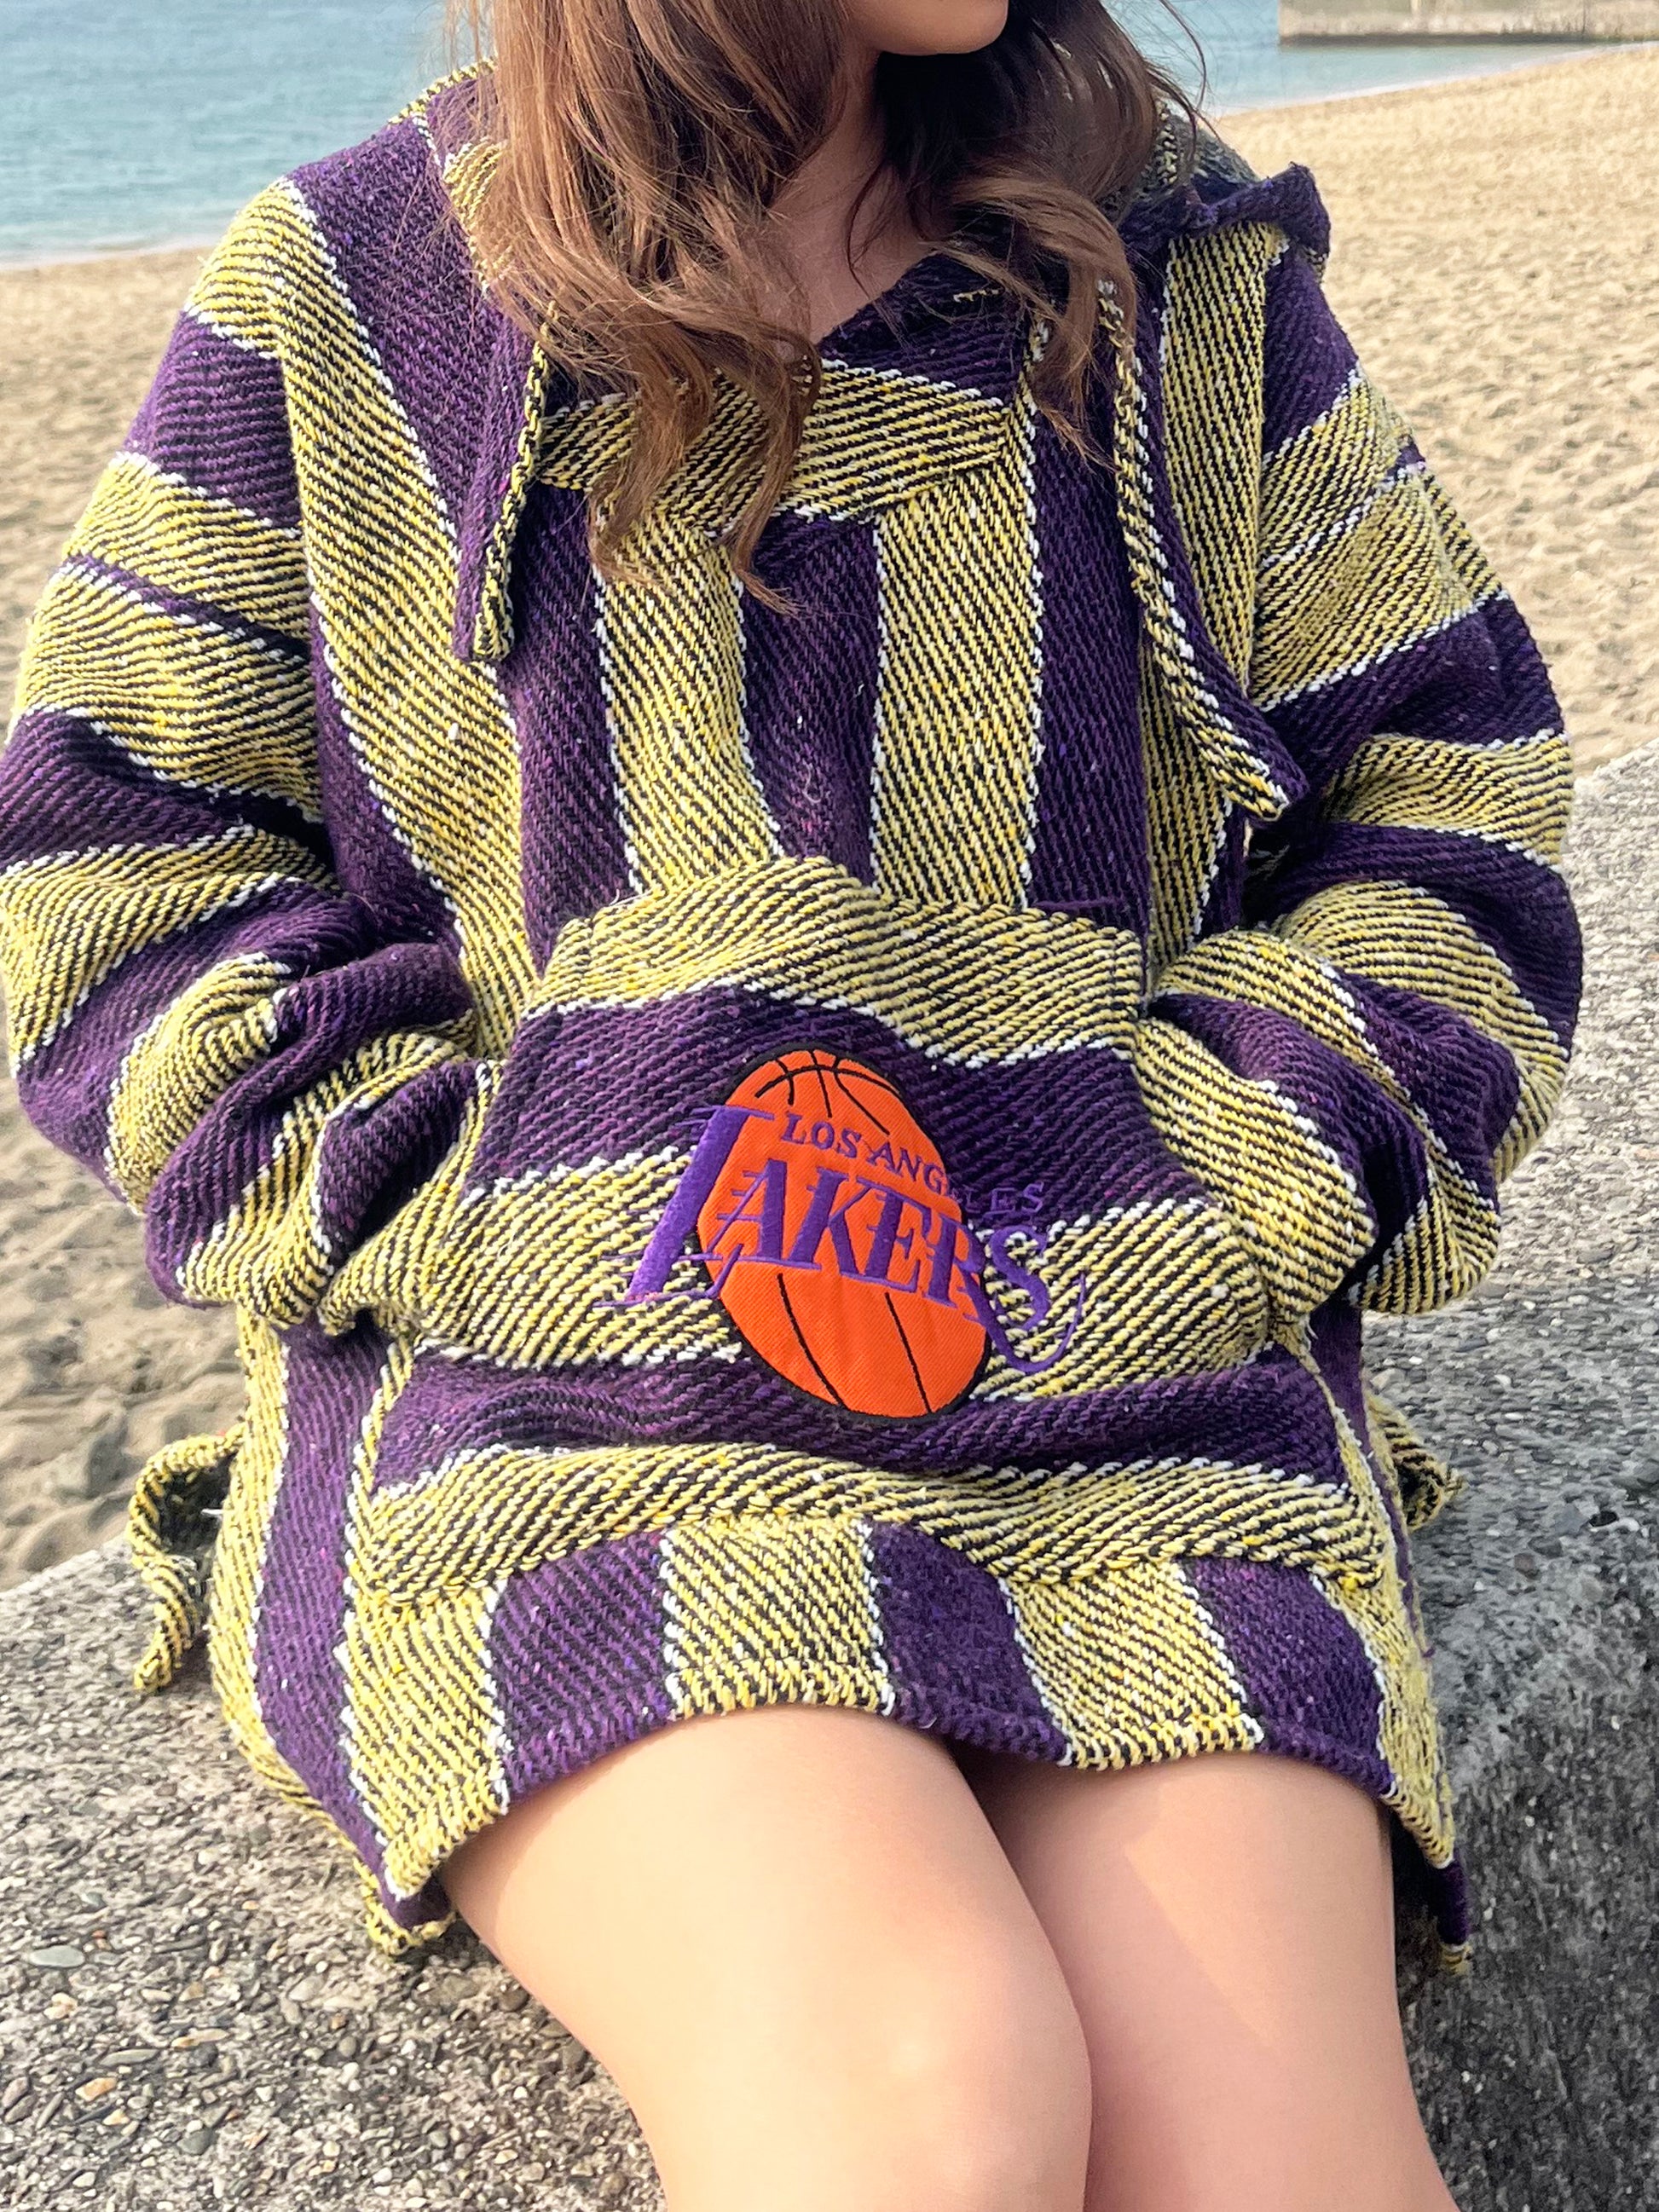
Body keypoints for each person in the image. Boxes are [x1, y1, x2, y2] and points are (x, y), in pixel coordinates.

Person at [0, 0, 1581, 2204]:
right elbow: (111, 855)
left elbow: (1447, 786)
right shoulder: (356, 295)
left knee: (1275, 2154)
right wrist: (451, 1200)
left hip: (1135, 1403)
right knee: (917, 2090)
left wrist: (1219, 1180)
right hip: (561, 1420)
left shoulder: (1170, 269)